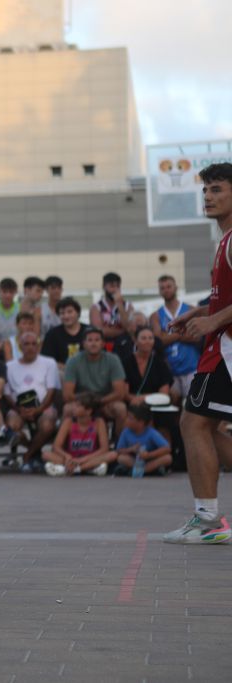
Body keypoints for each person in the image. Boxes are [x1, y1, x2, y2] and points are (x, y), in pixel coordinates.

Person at [163, 163, 232, 544]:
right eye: (205, 190)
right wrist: (199, 312)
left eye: (217, 189)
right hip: (220, 345)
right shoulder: (224, 240)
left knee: (193, 424)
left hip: (225, 349)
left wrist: (212, 322)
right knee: (206, 426)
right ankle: (207, 518)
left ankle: (208, 520)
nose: (208, 196)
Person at [3, 331, 60, 471]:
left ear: (39, 346)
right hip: (18, 409)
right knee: (12, 426)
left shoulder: (49, 363)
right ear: (19, 346)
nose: (30, 347)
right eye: (26, 344)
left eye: (34, 344)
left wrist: (38, 410)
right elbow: (7, 394)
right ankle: (35, 451)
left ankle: (28, 455)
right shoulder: (9, 366)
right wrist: (19, 410)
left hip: (43, 407)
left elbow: (52, 390)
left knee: (47, 425)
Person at [150, 274, 202, 404]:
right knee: (173, 409)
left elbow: (197, 336)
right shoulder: (155, 315)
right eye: (162, 288)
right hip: (170, 370)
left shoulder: (191, 310)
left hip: (192, 367)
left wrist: (168, 335)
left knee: (192, 407)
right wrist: (182, 333)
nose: (166, 290)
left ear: (175, 287)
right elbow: (159, 342)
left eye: (169, 286)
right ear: (159, 291)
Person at [61, 327, 127, 426]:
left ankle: (118, 440)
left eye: (97, 340)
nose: (93, 343)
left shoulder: (113, 359)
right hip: (81, 401)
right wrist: (86, 403)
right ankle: (65, 440)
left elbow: (120, 392)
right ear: (84, 344)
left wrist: (100, 401)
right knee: (67, 409)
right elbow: (67, 395)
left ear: (103, 343)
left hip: (106, 401)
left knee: (120, 408)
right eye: (90, 340)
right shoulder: (73, 361)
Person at [44, 393, 117, 476]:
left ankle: (76, 469)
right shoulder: (68, 422)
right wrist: (67, 456)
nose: (74, 408)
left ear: (89, 410)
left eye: (78, 406)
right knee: (46, 454)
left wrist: (82, 460)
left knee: (112, 455)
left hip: (89, 458)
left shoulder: (99, 422)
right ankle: (89, 468)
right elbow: (56, 446)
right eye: (74, 405)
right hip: (71, 458)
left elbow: (104, 449)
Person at [114, 404, 172, 476]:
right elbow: (119, 450)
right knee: (121, 458)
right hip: (134, 459)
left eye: (130, 418)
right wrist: (130, 449)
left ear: (141, 422)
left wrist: (149, 455)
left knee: (168, 458)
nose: (126, 420)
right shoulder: (126, 432)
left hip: (150, 459)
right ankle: (147, 470)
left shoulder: (151, 432)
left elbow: (167, 448)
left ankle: (142, 470)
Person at [121, 326, 173, 406]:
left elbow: (164, 394)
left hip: (155, 404)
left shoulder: (160, 363)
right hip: (132, 403)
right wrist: (137, 400)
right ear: (135, 341)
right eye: (143, 338)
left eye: (150, 338)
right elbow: (125, 394)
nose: (147, 341)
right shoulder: (126, 362)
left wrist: (142, 399)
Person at [90, 272, 136, 355]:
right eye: (111, 286)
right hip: (104, 347)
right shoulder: (96, 307)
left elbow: (131, 328)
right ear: (104, 287)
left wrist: (120, 305)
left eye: (117, 286)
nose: (115, 289)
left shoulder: (128, 306)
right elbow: (100, 331)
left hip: (124, 346)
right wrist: (123, 331)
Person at [41, 297, 89, 372]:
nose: (66, 316)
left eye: (70, 312)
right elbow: (47, 360)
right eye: (62, 313)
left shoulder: (89, 331)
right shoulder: (52, 334)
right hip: (62, 372)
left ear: (78, 313)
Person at [0, 277, 19, 343]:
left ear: (15, 292)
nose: (7, 295)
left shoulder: (21, 308)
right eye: (5, 292)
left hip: (15, 345)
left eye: (11, 292)